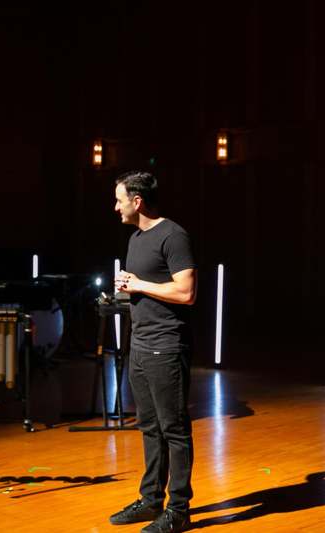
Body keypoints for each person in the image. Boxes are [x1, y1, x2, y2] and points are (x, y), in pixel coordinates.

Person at [109, 171, 197, 533]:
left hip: (166, 345)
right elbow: (143, 289)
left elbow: (186, 293)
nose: (116, 207)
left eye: (119, 200)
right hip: (141, 344)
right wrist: (126, 289)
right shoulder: (135, 239)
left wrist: (139, 283)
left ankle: (178, 510)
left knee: (173, 429)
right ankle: (150, 500)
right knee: (149, 427)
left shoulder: (173, 236)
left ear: (137, 201)